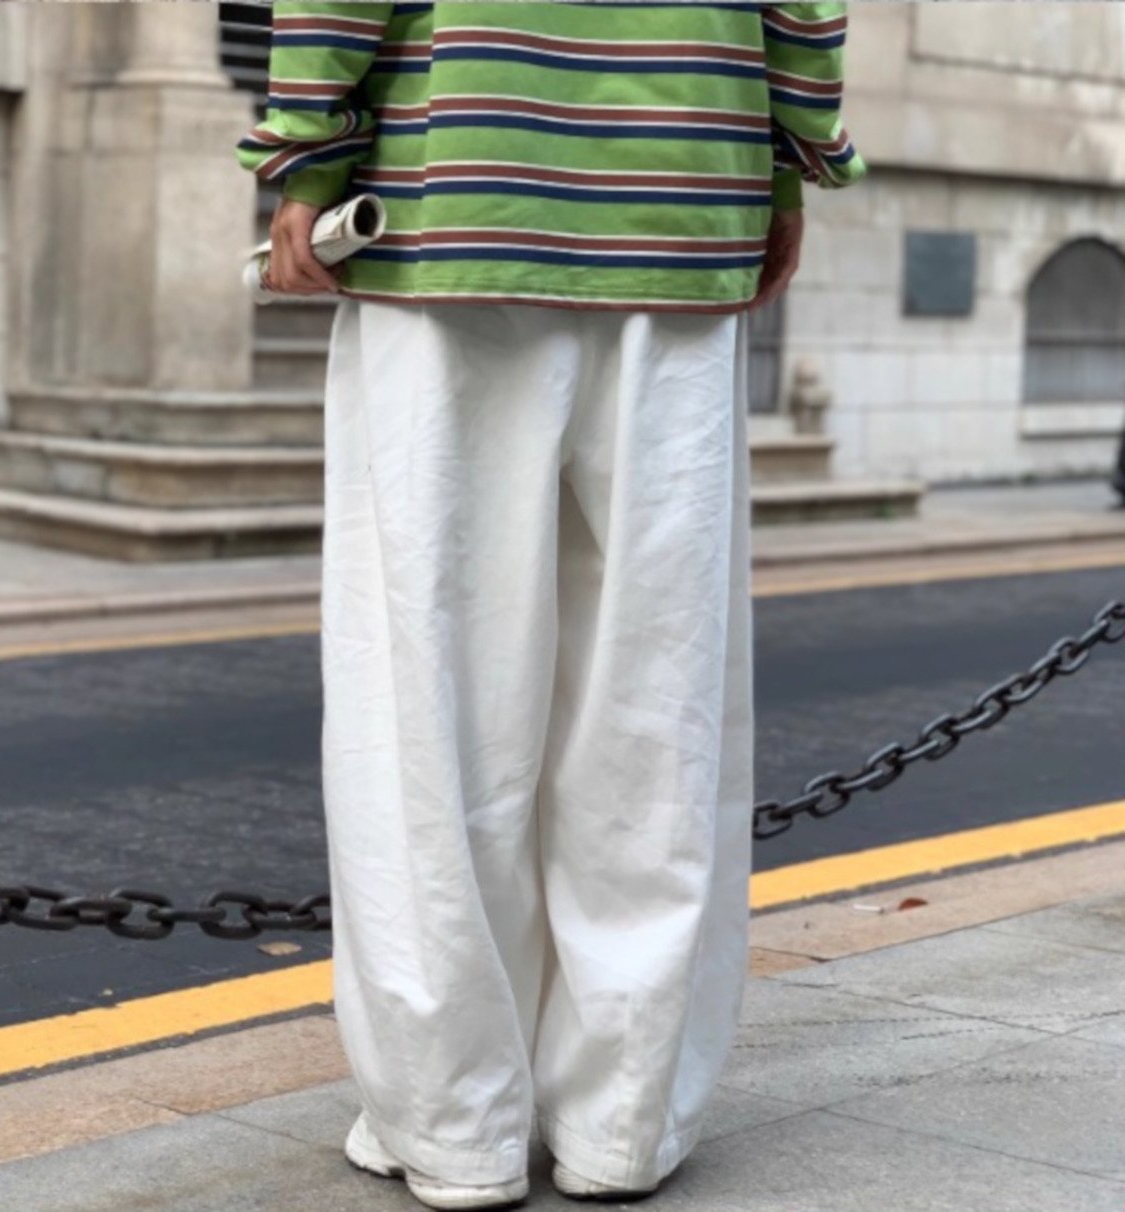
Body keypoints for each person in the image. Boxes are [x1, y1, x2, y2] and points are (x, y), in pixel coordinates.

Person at [236, 3, 866, 1208]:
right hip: (682, 193)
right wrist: (785, 164)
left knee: (429, 696)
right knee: (653, 698)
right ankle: (620, 1121)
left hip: (455, 200)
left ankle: (455, 1125)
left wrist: (306, 160)